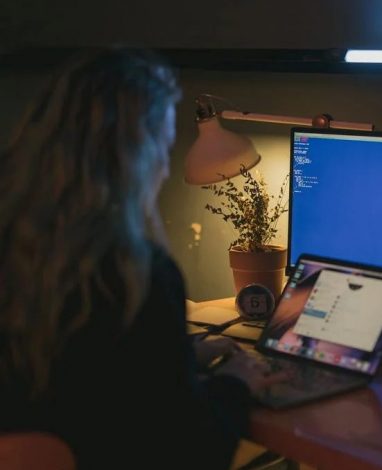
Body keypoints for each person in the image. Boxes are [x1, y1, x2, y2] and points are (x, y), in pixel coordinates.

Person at [0, 48, 283, 469]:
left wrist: (179, 355)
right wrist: (235, 382)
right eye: (164, 148)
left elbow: (89, 372)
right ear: (139, 153)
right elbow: (194, 452)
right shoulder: (136, 274)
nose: (165, 170)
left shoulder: (21, 251)